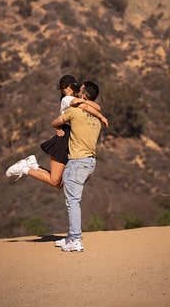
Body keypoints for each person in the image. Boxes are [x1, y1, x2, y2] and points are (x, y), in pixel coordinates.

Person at [5, 75, 107, 189]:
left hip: (72, 140)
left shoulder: (77, 102)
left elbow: (95, 107)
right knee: (55, 181)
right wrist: (101, 117)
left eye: (67, 86)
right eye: (62, 87)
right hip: (64, 139)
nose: (64, 89)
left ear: (73, 86)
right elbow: (94, 107)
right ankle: (24, 168)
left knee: (60, 184)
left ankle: (33, 165)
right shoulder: (68, 99)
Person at [52, 80, 103, 252]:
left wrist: (59, 127)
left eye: (79, 91)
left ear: (82, 95)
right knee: (73, 200)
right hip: (90, 162)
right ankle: (71, 236)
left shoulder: (74, 111)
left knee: (72, 202)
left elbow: (55, 122)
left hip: (76, 161)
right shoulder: (96, 117)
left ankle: (75, 239)